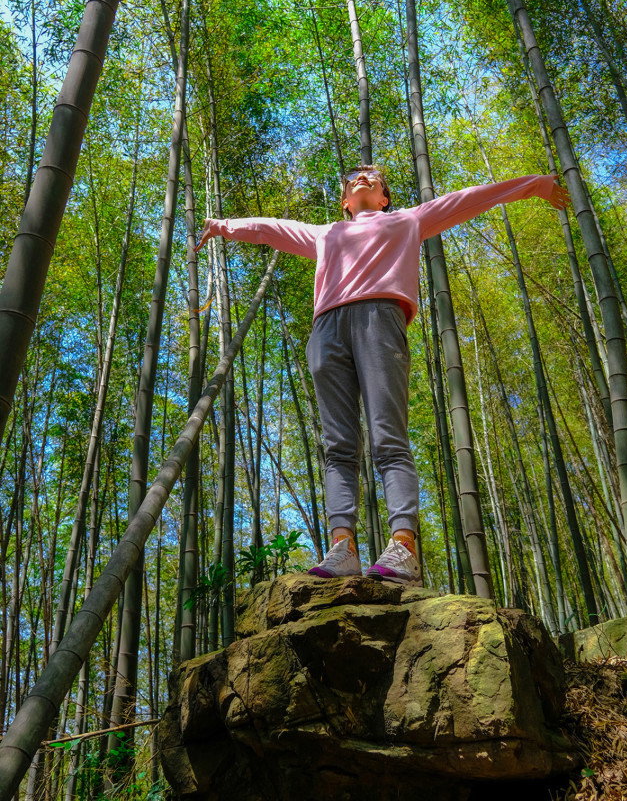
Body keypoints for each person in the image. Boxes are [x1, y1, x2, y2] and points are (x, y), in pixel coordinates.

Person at [196, 166, 569, 587]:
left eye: (373, 177)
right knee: (338, 445)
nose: (362, 177)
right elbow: (270, 229)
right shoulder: (326, 233)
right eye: (354, 177)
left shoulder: (406, 221)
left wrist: (534, 185)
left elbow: (467, 199)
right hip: (326, 329)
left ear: (384, 197)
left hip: (381, 319)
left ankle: (403, 547)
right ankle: (343, 547)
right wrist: (221, 225)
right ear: (344, 200)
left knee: (387, 437)